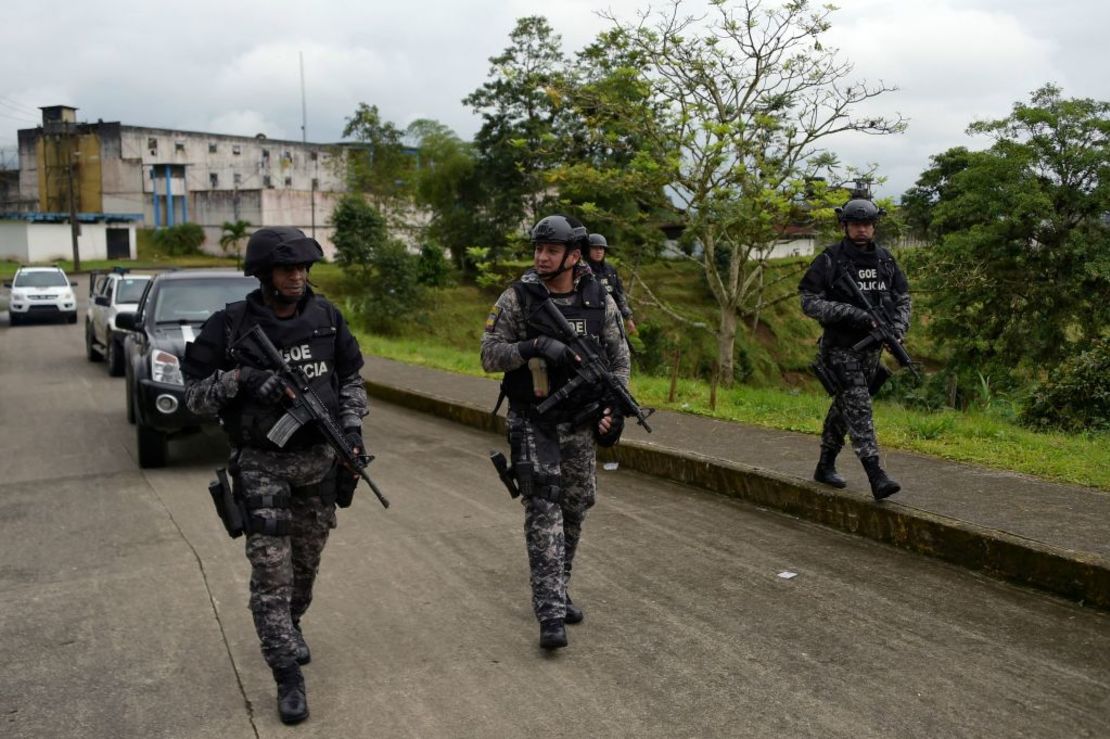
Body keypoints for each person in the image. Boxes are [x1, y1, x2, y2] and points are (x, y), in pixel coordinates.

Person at [182, 226, 368, 724]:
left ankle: (289, 625)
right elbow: (193, 395)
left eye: (304, 268)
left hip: (318, 464)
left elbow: (350, 378)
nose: (298, 277)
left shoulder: (327, 318)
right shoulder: (231, 325)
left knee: (304, 570)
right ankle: (287, 673)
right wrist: (241, 380)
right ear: (264, 274)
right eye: (287, 269)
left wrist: (351, 430)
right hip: (262, 465)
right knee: (271, 574)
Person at [481, 215, 631, 650]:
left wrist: (613, 409)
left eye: (550, 250)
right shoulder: (518, 298)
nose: (541, 257)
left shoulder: (598, 298)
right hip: (533, 419)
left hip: (580, 422)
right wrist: (532, 347)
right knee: (543, 506)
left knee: (576, 505)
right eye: (537, 249)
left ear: (573, 255)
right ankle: (548, 610)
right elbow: (489, 356)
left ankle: (559, 587)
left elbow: (619, 361)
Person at [798, 199, 911, 500]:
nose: (862, 229)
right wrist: (851, 313)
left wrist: (897, 329)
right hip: (840, 349)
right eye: (855, 224)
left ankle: (825, 464)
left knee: (845, 407)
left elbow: (903, 298)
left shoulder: (885, 260)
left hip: (871, 352)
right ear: (844, 226)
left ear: (874, 226)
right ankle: (876, 474)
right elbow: (809, 301)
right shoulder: (830, 259)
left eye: (867, 224)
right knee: (860, 405)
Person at [585, 233, 636, 335]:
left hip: (612, 317)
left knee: (620, 349)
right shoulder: (582, 270)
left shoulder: (610, 269)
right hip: (590, 318)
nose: (599, 251)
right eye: (595, 248)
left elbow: (619, 294)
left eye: (601, 248)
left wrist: (628, 318)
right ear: (588, 250)